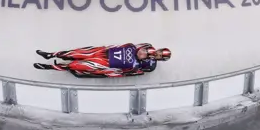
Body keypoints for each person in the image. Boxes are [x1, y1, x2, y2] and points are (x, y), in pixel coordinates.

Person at [33, 43, 171, 78]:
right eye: (159, 52)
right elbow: (129, 45)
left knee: (76, 65)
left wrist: (106, 73)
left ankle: (50, 67)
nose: (158, 54)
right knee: (78, 53)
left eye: (160, 56)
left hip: (108, 64)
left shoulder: (147, 65)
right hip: (104, 52)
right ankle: (50, 55)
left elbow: (130, 73)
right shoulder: (146, 46)